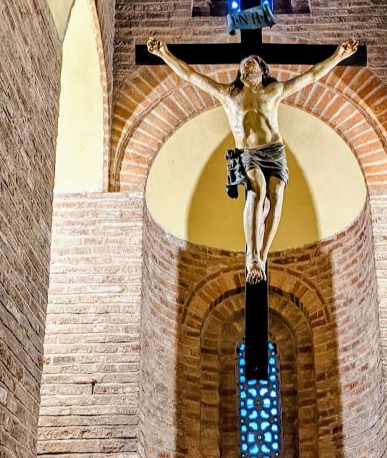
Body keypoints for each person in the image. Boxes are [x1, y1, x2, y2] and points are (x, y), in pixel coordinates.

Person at [146, 37, 358, 282]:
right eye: (243, 66)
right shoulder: (229, 95)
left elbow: (310, 77)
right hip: (249, 154)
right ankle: (252, 256)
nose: (246, 67)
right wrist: (164, 53)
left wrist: (339, 56)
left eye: (251, 65)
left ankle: (263, 256)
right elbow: (192, 76)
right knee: (257, 190)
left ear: (262, 70)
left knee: (276, 197)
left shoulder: (273, 91)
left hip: (274, 152)